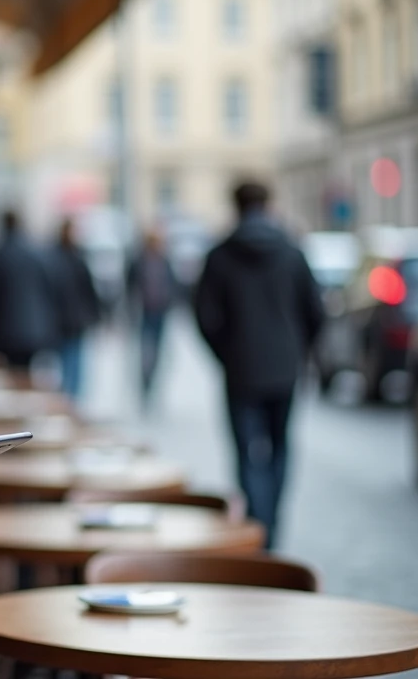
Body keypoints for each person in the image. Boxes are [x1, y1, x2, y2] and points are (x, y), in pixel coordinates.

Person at [193, 181, 324, 549]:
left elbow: (204, 315)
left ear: (235, 206)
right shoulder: (292, 251)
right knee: (280, 448)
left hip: (240, 369)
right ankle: (270, 527)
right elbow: (316, 311)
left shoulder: (219, 255)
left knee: (247, 452)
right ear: (269, 204)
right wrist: (299, 350)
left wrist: (227, 353)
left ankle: (256, 523)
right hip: (284, 369)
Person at [0, 210, 60, 370]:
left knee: (6, 376)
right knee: (24, 373)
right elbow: (52, 291)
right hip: (33, 330)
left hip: (3, 331)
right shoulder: (37, 254)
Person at [48, 217, 100, 400]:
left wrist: (93, 315)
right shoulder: (56, 258)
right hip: (63, 320)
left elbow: (89, 290)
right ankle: (67, 399)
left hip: (75, 320)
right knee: (67, 363)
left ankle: (71, 400)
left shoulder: (76, 258)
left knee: (75, 364)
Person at [126, 228, 178, 404]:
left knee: (158, 351)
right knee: (146, 352)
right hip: (144, 312)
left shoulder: (164, 261)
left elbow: (172, 284)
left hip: (160, 312)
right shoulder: (139, 261)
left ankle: (153, 383)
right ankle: (145, 383)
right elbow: (130, 287)